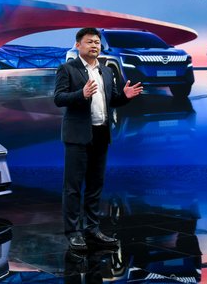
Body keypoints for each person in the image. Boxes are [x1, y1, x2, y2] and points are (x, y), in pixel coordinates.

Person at [54, 28, 143, 252]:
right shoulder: (67, 69)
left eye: (97, 42)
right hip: (77, 136)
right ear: (78, 45)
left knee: (95, 186)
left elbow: (111, 99)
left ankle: (92, 229)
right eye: (90, 42)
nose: (95, 45)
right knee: (73, 188)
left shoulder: (106, 71)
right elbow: (59, 98)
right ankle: (73, 233)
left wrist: (125, 97)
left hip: (101, 135)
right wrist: (81, 94)